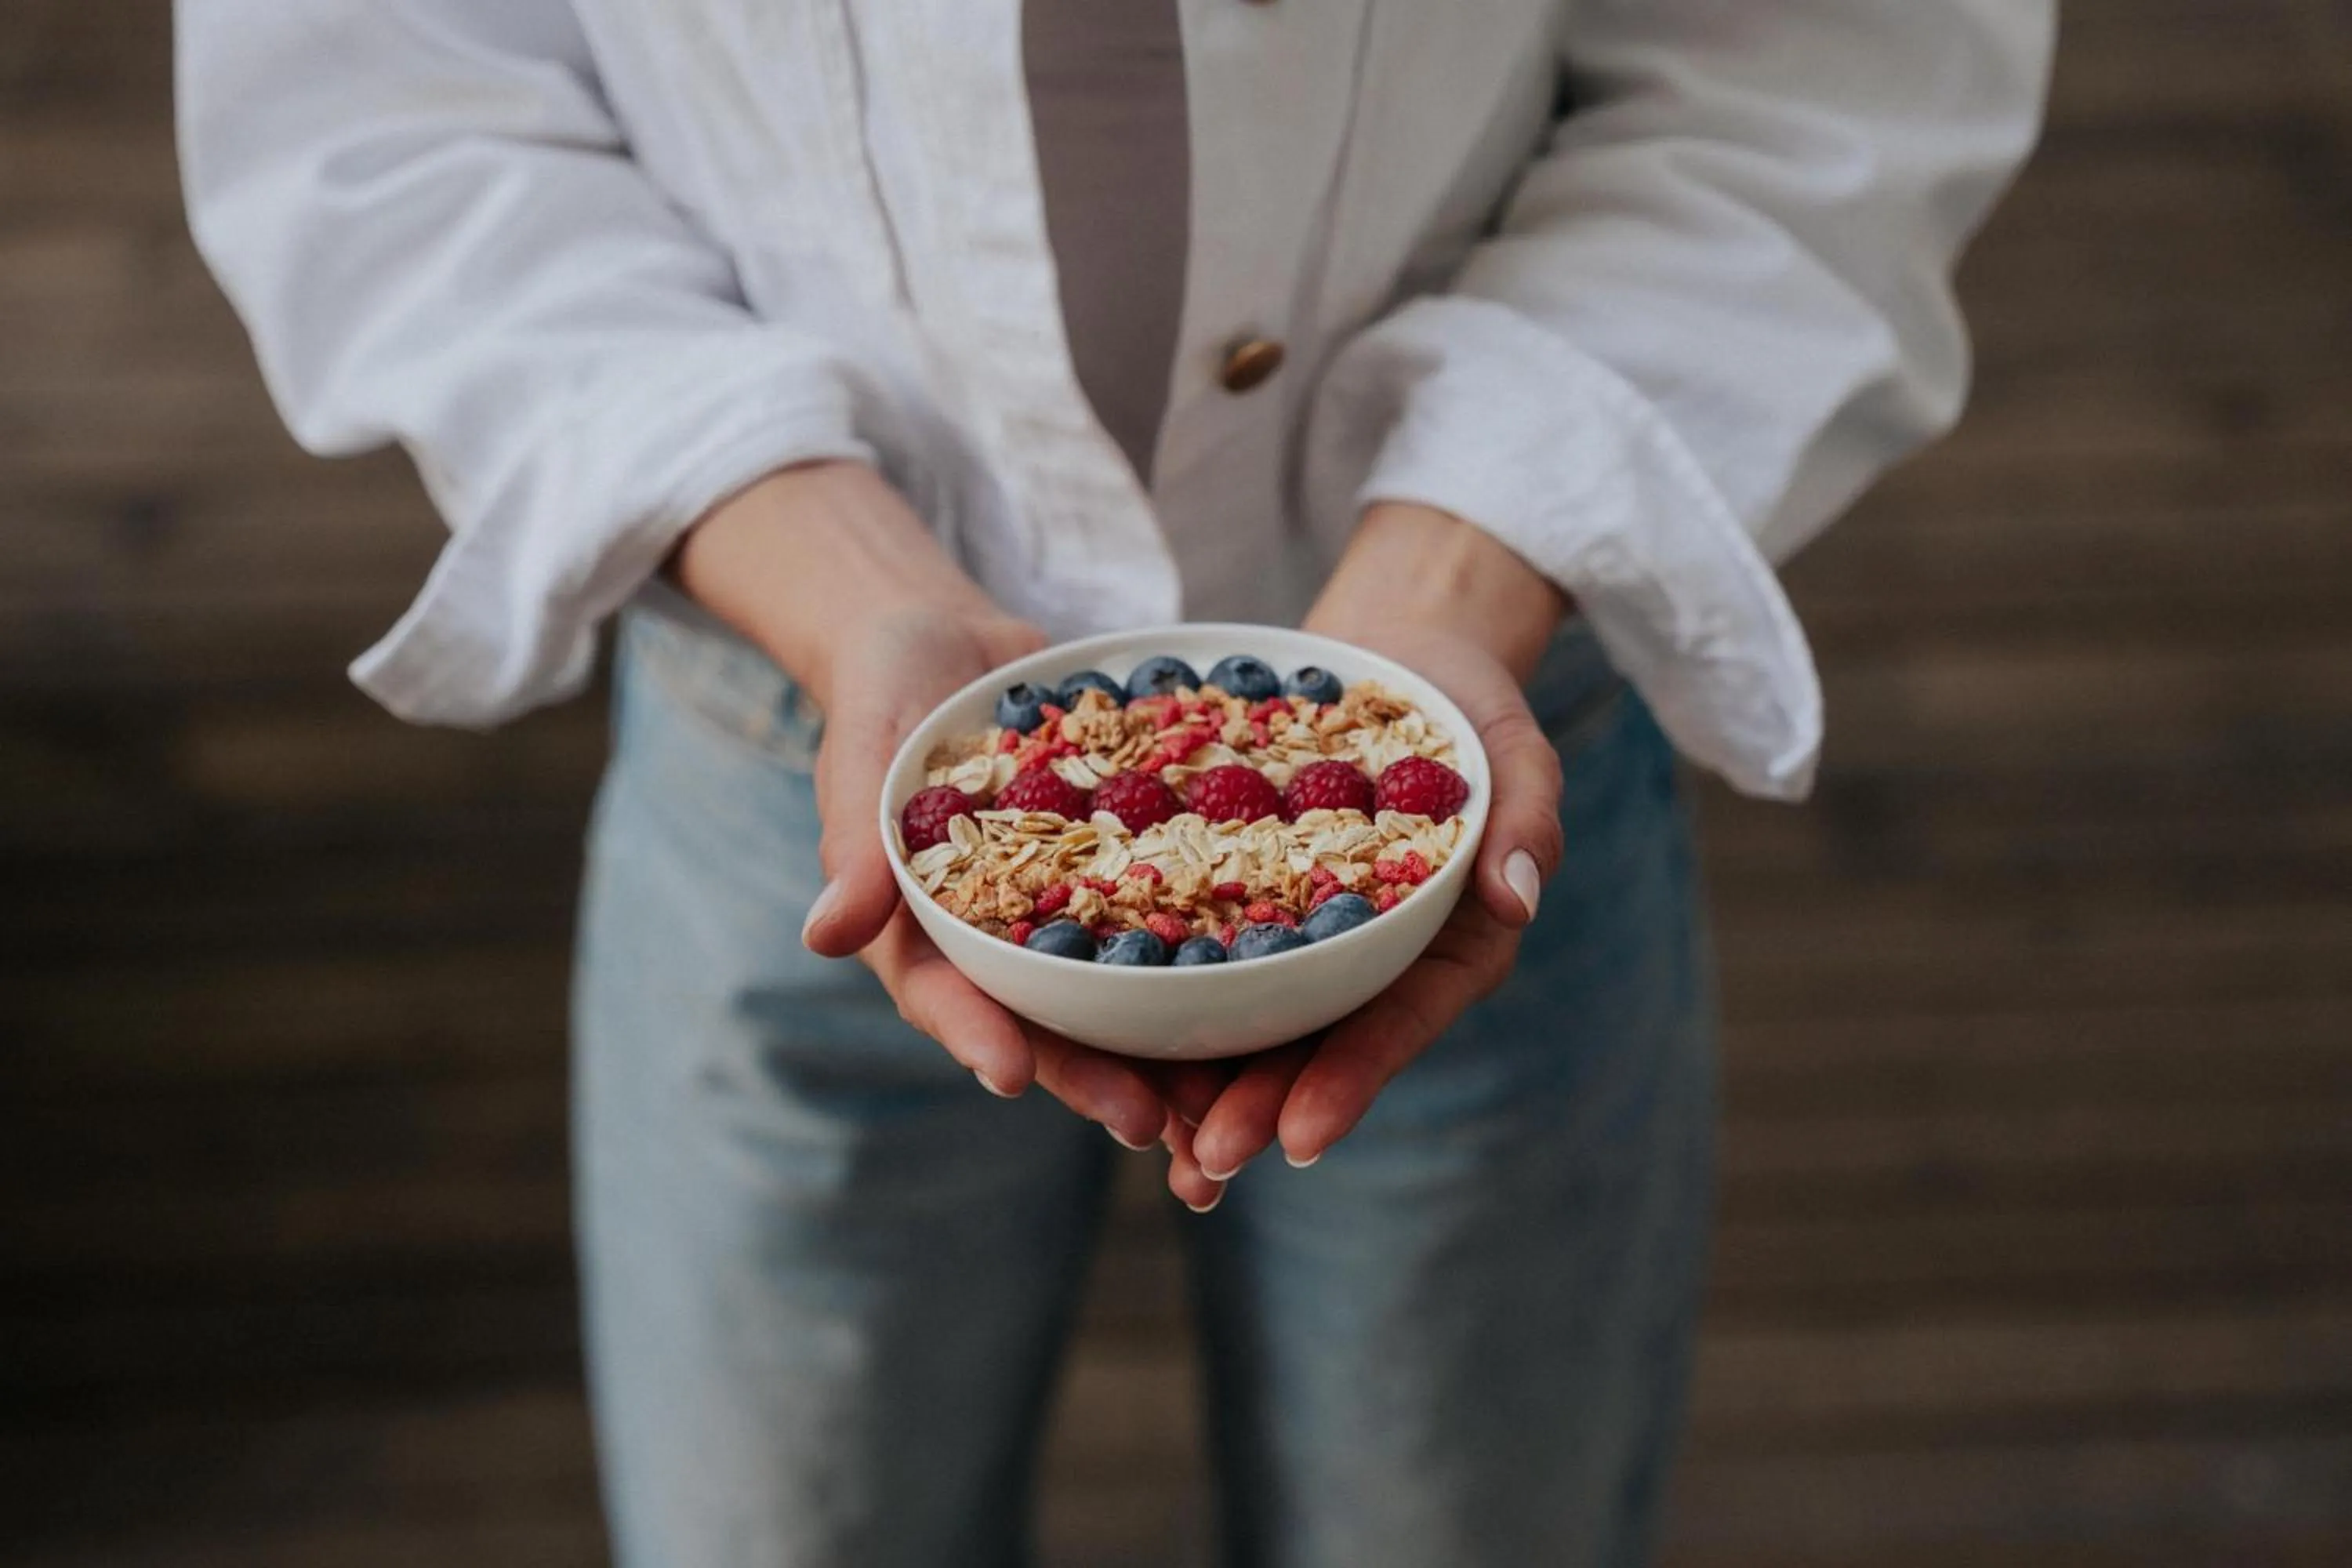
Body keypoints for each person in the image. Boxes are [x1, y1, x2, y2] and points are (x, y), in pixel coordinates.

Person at [178, 2, 2053, 1563]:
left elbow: (1823, 59)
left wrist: (1464, 554)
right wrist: (838, 580)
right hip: (783, 735)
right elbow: (383, 89)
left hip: (1489, 757)